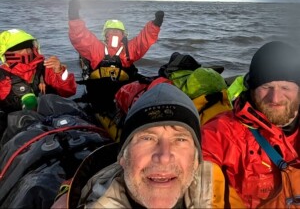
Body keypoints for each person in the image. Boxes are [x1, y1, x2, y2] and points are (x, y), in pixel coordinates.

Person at [70, 83, 226, 209]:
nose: (164, 157)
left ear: (196, 160)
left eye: (180, 139)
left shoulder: (222, 195)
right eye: (147, 138)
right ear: (123, 157)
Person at [201, 41, 300, 208]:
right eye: (266, 86)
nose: (275, 98)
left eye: (285, 87)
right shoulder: (221, 132)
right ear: (251, 88)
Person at [68, 0, 164, 115]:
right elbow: (80, 37)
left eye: (116, 31)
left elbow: (80, 36)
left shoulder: (117, 50)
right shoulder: (112, 49)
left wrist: (155, 25)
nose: (114, 33)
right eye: (112, 31)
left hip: (114, 92)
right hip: (107, 92)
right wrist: (74, 17)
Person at [0, 29, 77, 137]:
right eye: (17, 49)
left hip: (52, 123)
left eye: (28, 46)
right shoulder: (2, 77)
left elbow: (69, 91)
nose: (25, 51)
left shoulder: (47, 67)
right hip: (18, 133)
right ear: (6, 53)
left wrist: (60, 72)